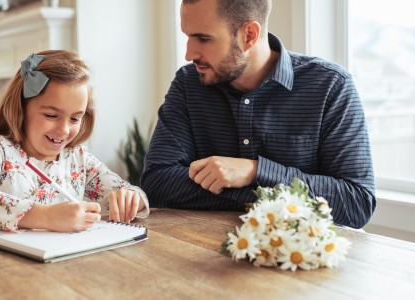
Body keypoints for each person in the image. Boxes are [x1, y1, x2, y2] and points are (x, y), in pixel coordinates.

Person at [141, 0, 375, 229]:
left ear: (249, 35)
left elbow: (356, 203)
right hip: (209, 254)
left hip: (305, 256)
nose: (189, 54)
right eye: (188, 36)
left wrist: (254, 171)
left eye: (203, 38)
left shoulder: (331, 86)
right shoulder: (188, 83)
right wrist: (264, 190)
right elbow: (158, 182)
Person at [0, 50, 149, 232]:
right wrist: (45, 216)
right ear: (22, 108)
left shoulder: (77, 159)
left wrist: (132, 199)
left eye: (74, 119)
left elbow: (130, 192)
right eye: (51, 115)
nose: (63, 130)